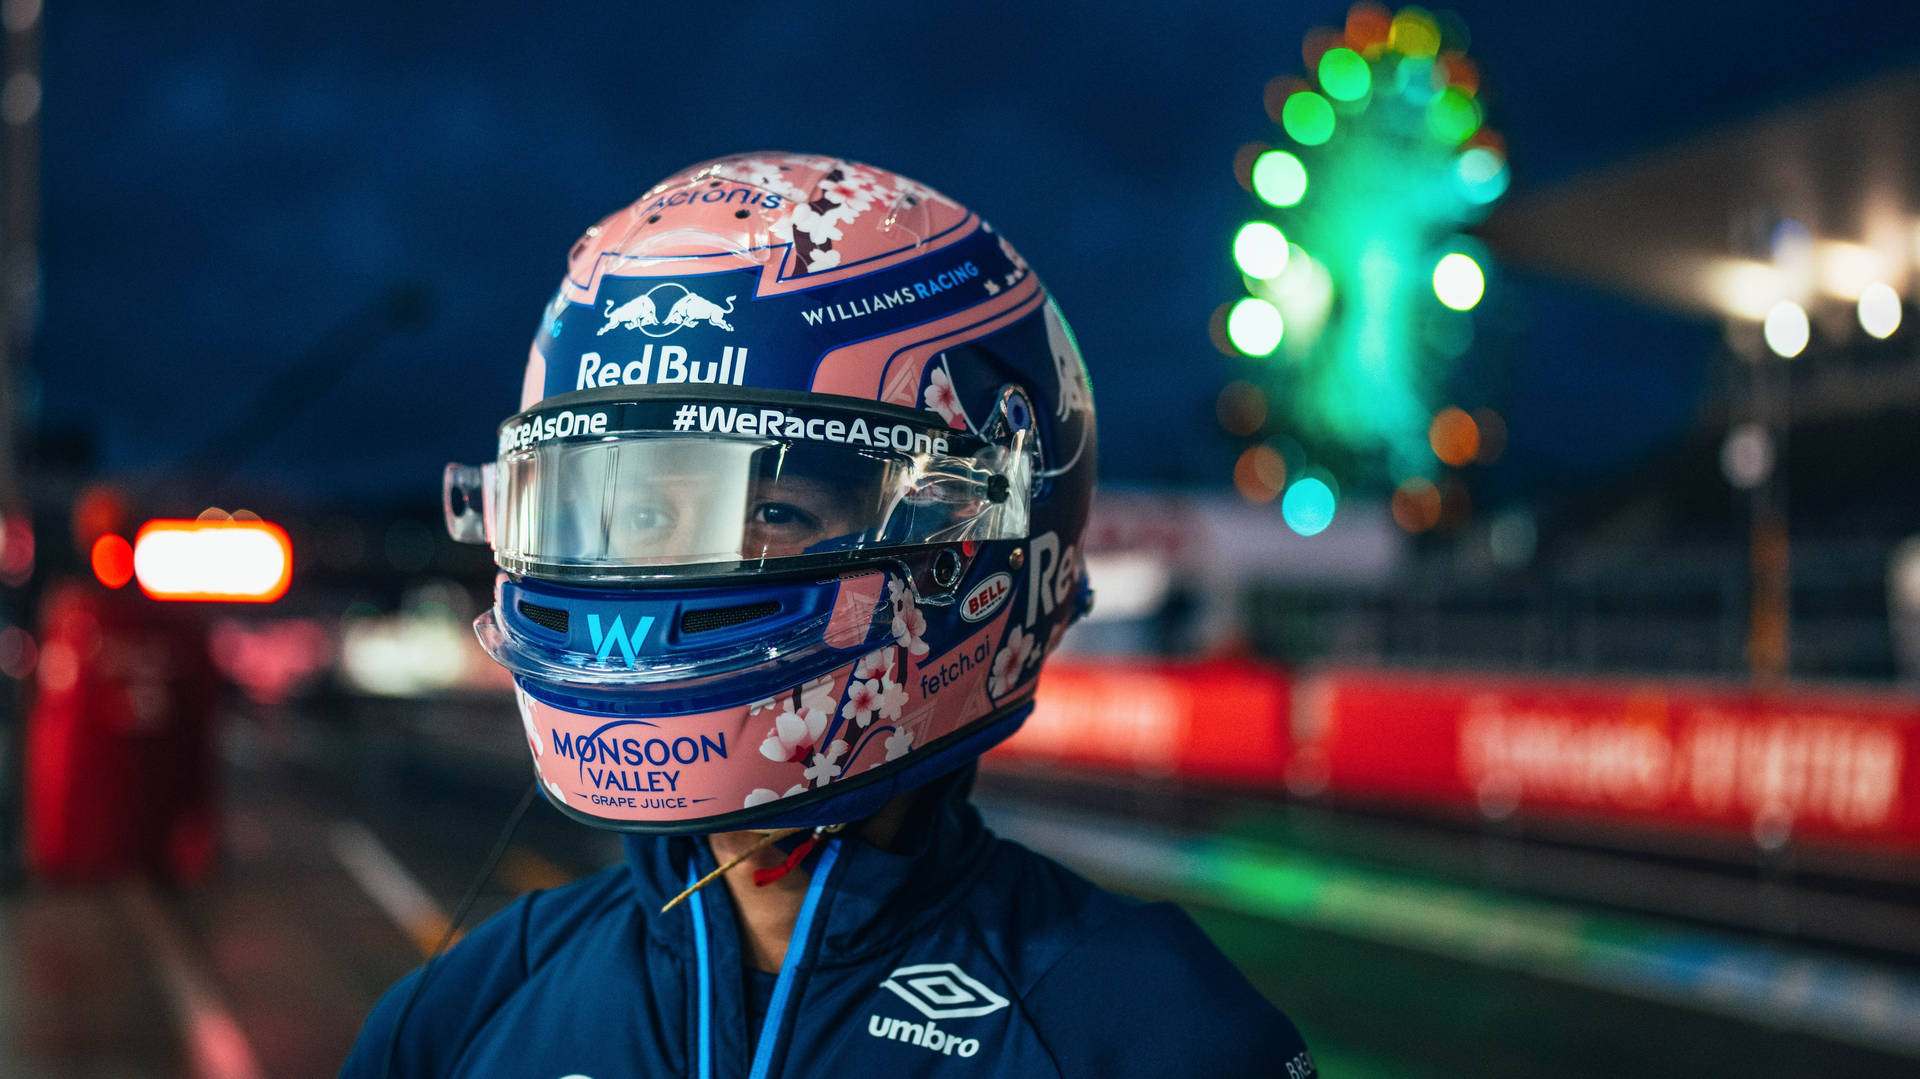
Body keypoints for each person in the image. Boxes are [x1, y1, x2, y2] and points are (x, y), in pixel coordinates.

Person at [344, 152, 1315, 1078]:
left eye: (771, 510)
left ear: (972, 541)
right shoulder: (458, 1013)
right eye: (637, 513)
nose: (662, 572)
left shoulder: (1159, 1035)